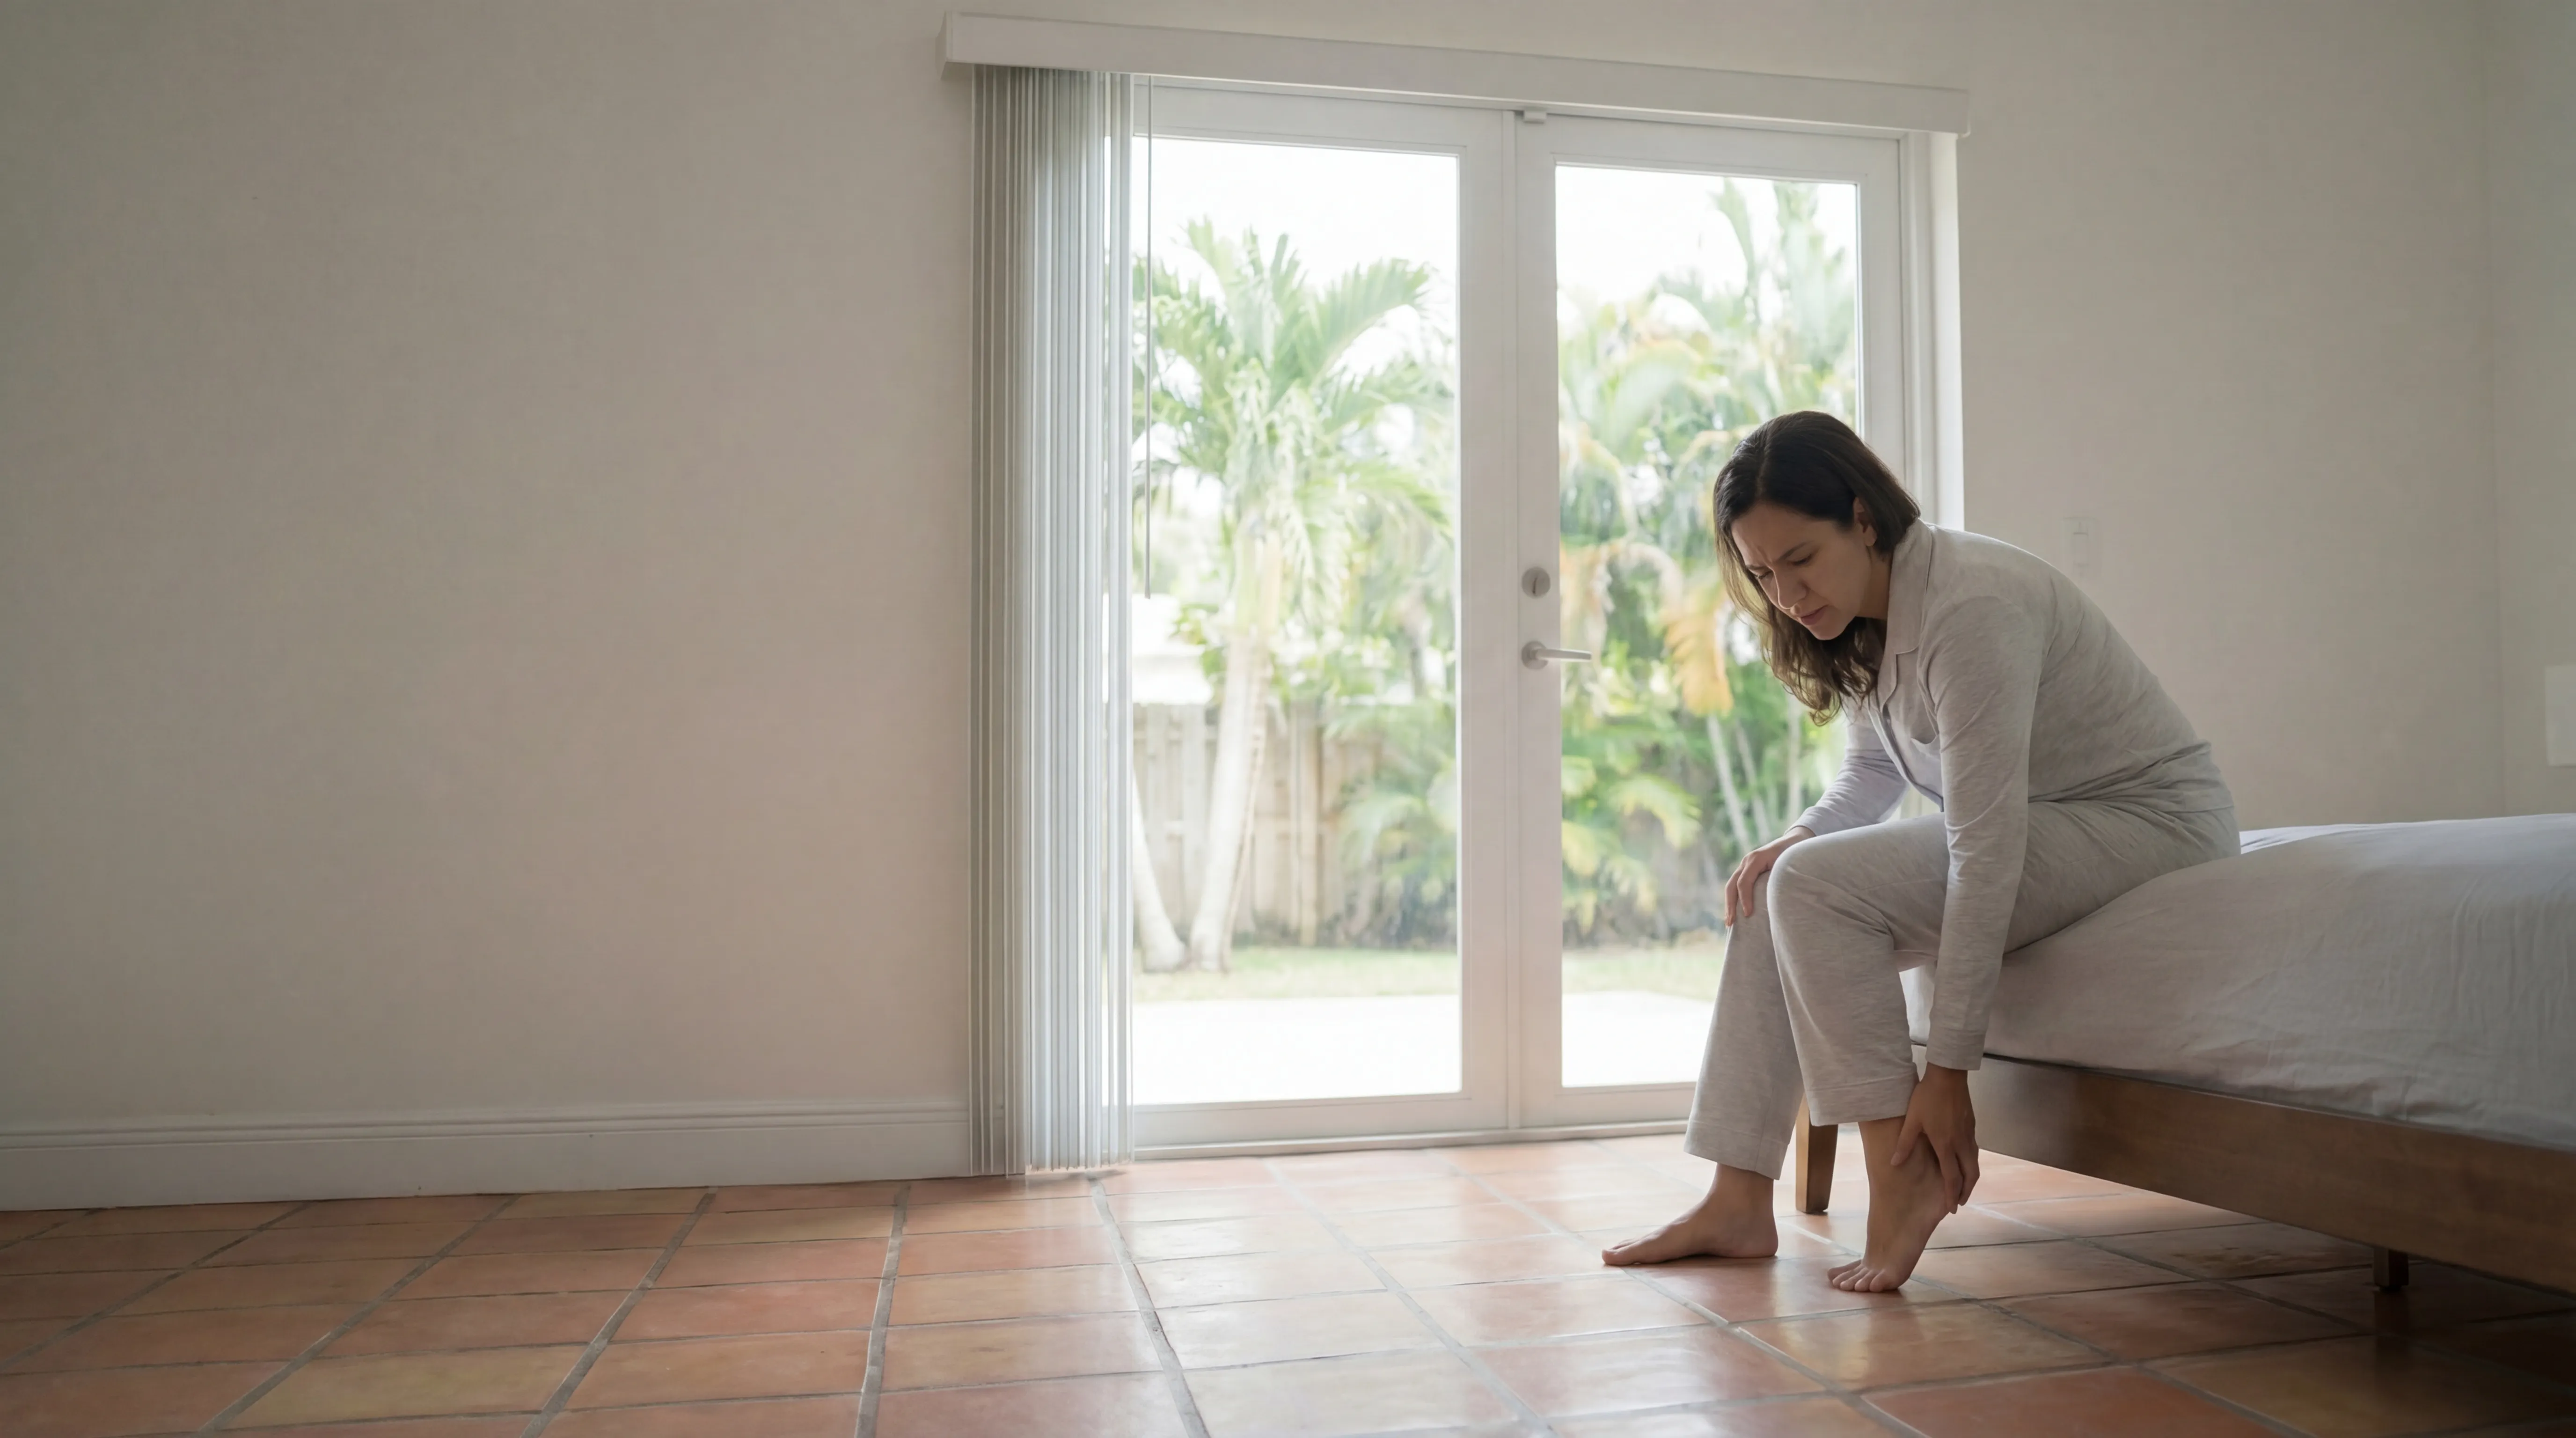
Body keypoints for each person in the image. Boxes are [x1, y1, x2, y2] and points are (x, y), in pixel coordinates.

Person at [1601, 411, 2237, 1291]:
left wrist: (1946, 1067)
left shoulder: (1971, 606)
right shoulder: (1865, 611)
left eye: (1800, 560)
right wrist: (1798, 838)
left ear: (1863, 518)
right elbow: (1873, 769)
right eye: (1760, 574)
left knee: (1816, 889)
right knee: (1780, 881)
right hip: (2053, 815)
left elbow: (1985, 846)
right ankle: (1737, 1199)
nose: (1785, 594)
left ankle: (1902, 1179)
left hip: (2146, 821)